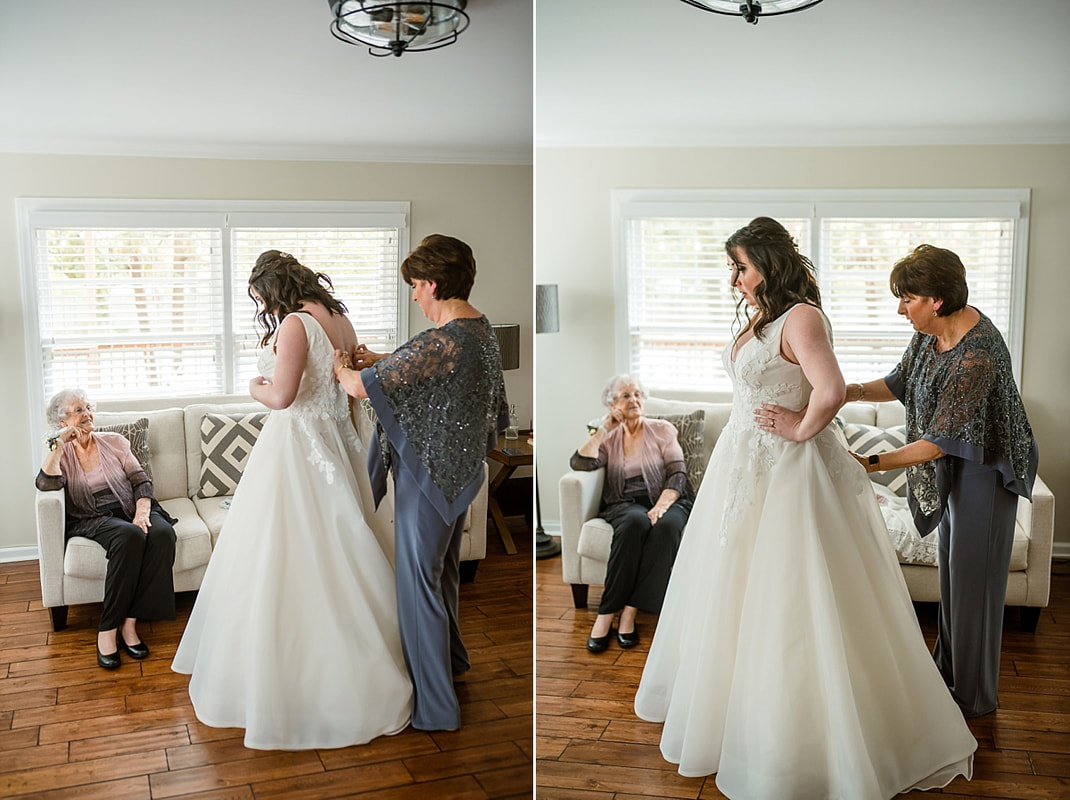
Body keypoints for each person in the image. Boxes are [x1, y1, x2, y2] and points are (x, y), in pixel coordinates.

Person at [634, 218, 976, 797]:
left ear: (768, 263)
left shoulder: (801, 317)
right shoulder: (763, 317)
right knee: (735, 591)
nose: (734, 278)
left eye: (741, 265)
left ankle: (807, 739)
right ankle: (733, 721)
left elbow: (831, 388)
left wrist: (799, 430)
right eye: (732, 267)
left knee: (793, 596)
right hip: (742, 468)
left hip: (787, 472)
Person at [172, 250, 412, 750]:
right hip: (338, 442)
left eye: (259, 296)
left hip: (297, 447)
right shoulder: (340, 319)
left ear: (272, 288)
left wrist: (253, 386)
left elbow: (282, 397)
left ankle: (294, 674)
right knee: (338, 546)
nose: (261, 305)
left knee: (283, 553)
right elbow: (347, 390)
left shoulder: (296, 325)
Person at [843, 243, 1038, 719]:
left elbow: (936, 442)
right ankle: (946, 679)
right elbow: (896, 382)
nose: (900, 307)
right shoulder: (928, 334)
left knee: (976, 589)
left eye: (907, 298)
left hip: (987, 469)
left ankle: (972, 698)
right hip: (953, 461)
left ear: (936, 299)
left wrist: (868, 464)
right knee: (953, 582)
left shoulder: (979, 355)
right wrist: (841, 390)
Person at [335, 233, 508, 732]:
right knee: (444, 575)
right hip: (463, 475)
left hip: (428, 478)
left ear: (432, 283)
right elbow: (436, 368)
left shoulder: (443, 339)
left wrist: (346, 366)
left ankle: (435, 708)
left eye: (415, 286)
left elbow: (357, 389)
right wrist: (383, 361)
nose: (413, 295)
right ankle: (451, 662)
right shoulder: (479, 330)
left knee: (418, 587)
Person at [35, 389, 176, 670]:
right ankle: (107, 629)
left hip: (129, 505)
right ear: (63, 422)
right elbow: (45, 484)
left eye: (88, 407)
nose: (87, 414)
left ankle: (130, 623)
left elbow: (141, 481)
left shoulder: (114, 441)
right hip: (92, 516)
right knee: (129, 536)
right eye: (78, 410)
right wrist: (58, 445)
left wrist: (142, 512)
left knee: (162, 534)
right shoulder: (59, 453)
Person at [569, 375, 692, 653]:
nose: (634, 400)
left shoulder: (662, 429)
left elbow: (677, 473)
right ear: (612, 404)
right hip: (624, 503)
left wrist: (661, 506)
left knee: (667, 528)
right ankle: (605, 614)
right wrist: (604, 428)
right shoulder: (608, 436)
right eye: (625, 396)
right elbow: (579, 463)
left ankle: (630, 612)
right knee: (635, 522)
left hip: (668, 498)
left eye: (637, 394)